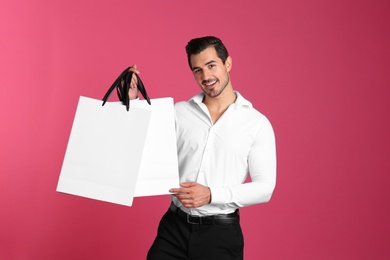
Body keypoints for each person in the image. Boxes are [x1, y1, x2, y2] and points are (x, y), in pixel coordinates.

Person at [128, 36, 276, 260]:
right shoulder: (178, 113)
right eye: (197, 70)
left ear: (227, 63)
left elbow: (265, 187)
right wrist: (131, 102)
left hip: (220, 236)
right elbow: (144, 149)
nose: (206, 77)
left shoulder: (256, 124)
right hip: (173, 229)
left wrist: (210, 195)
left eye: (211, 66)